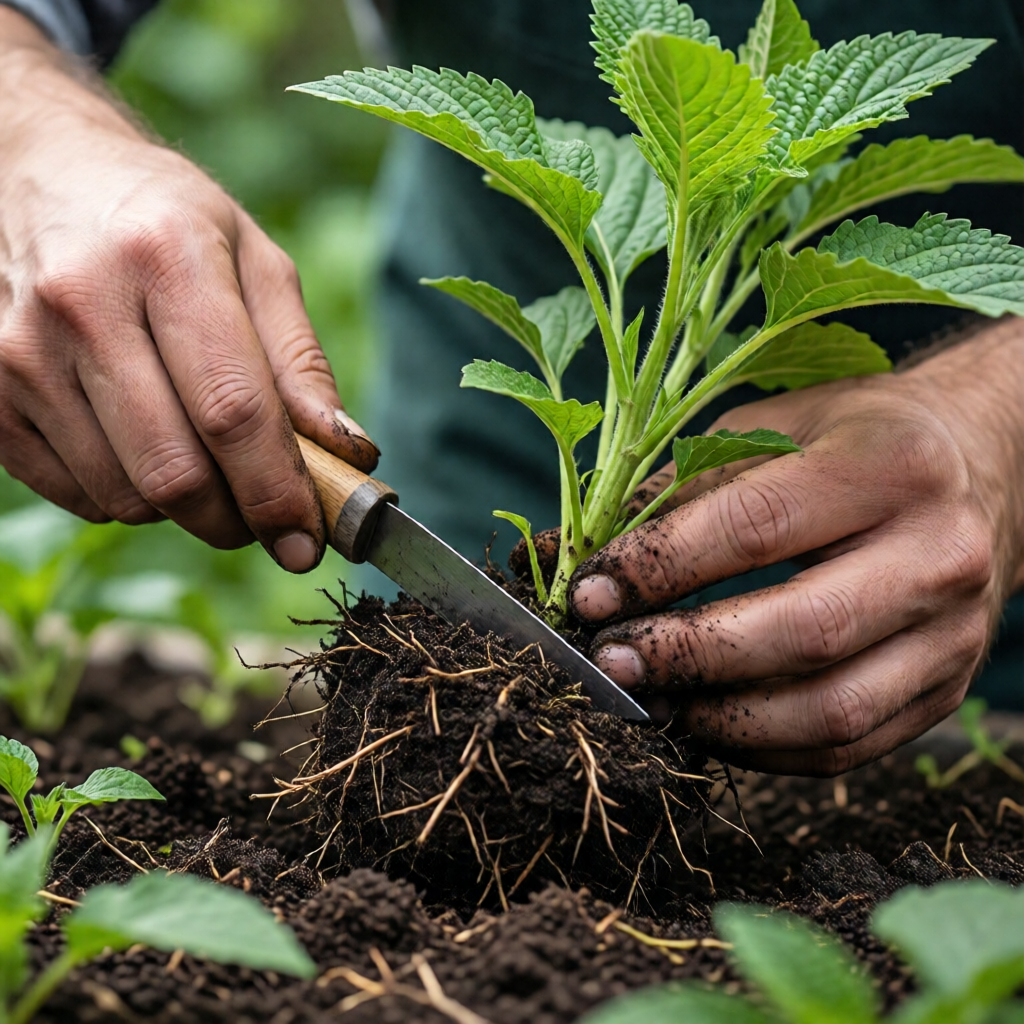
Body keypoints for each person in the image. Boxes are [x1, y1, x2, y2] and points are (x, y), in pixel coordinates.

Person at [0, 0, 1021, 776]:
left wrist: (999, 430)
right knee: (427, 733)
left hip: (970, 657)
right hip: (484, 504)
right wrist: (30, 135)